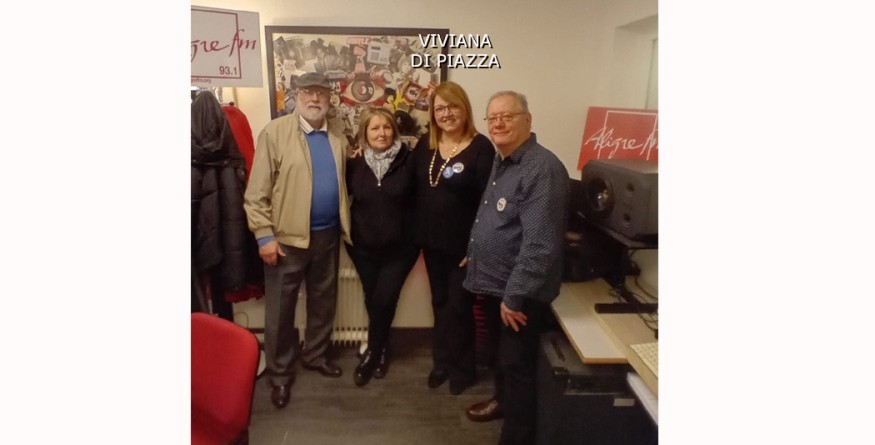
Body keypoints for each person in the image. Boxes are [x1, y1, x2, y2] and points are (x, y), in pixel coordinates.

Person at [462, 91, 569, 444]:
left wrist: (515, 296)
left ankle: (517, 436)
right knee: (501, 358)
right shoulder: (504, 159)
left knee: (517, 366)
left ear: (527, 120)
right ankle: (502, 402)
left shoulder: (542, 168)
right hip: (497, 283)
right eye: (492, 118)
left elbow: (541, 244)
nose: (498, 123)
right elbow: (496, 218)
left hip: (519, 293)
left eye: (507, 116)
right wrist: (476, 252)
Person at [243, 72, 352, 409]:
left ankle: (315, 356)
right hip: (286, 240)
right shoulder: (274, 133)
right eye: (308, 92)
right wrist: (264, 236)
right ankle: (279, 374)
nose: (315, 98)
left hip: (327, 235)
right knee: (280, 311)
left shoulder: (337, 133)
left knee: (323, 302)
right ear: (296, 96)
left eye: (321, 92)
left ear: (330, 98)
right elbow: (256, 194)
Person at [413, 81, 494, 395]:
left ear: (465, 109)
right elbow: (409, 180)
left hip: (464, 248)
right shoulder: (427, 143)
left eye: (453, 107)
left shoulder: (481, 147)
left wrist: (477, 248)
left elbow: (488, 203)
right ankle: (442, 363)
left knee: (460, 308)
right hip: (432, 244)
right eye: (440, 109)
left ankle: (464, 369)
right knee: (440, 303)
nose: (446, 114)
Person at [345, 107, 419, 387]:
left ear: (395, 131)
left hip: (401, 249)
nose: (382, 133)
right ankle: (383, 346)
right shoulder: (354, 164)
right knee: (372, 297)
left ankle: (373, 354)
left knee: (384, 299)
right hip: (362, 248)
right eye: (374, 128)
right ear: (364, 133)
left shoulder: (410, 161)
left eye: (387, 127)